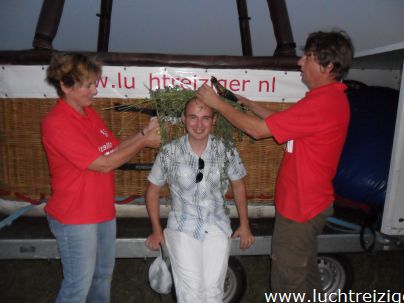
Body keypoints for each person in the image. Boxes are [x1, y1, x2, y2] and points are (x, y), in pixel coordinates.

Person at [196, 31, 354, 297]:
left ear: (329, 67)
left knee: (286, 285)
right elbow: (281, 122)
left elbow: (259, 131)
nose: (300, 62)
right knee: (306, 278)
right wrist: (245, 103)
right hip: (309, 205)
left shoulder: (324, 103)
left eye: (309, 57)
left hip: (301, 211)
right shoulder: (325, 99)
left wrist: (217, 105)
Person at [41, 52, 161, 303]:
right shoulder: (57, 122)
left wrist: (144, 133)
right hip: (75, 217)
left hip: (102, 211)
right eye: (88, 85)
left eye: (96, 83)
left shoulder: (89, 114)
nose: (95, 90)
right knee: (77, 287)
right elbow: (104, 165)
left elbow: (113, 150)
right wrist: (144, 143)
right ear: (65, 85)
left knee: (102, 277)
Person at [145, 97, 255, 302]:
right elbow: (153, 190)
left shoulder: (226, 149)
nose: (199, 124)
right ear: (183, 119)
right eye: (193, 117)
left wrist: (245, 224)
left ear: (213, 121)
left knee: (213, 291)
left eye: (205, 118)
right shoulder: (169, 152)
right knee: (191, 293)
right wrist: (157, 229)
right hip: (182, 227)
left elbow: (239, 184)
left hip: (216, 225)